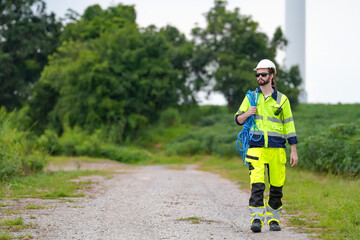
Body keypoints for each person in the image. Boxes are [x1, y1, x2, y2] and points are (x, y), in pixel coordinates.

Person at [234, 59, 298, 233]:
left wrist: (293, 150)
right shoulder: (251, 98)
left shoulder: (283, 100)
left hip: (277, 149)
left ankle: (274, 219)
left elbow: (289, 125)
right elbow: (238, 119)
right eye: (257, 74)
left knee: (277, 186)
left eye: (263, 74)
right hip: (256, 149)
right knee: (257, 185)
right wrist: (248, 113)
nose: (259, 77)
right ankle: (257, 219)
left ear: (271, 75)